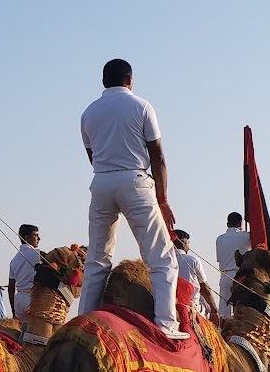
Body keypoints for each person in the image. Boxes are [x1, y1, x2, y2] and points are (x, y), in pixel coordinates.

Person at [77, 59, 186, 341]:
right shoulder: (141, 106)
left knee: (97, 260)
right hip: (134, 180)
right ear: (130, 79)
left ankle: (83, 323)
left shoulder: (88, 113)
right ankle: (166, 325)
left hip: (101, 181)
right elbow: (157, 155)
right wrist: (162, 198)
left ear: (104, 81)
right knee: (161, 258)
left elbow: (92, 155)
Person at [172, 231, 219, 322]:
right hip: (191, 307)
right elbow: (205, 289)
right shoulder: (193, 261)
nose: (188, 247)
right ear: (183, 243)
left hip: (168, 306)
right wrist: (214, 310)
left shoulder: (162, 261)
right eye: (188, 244)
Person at [215, 212, 251, 317]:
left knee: (224, 310)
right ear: (240, 223)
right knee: (243, 309)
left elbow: (220, 259)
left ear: (227, 224)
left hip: (225, 275)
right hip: (241, 276)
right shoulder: (246, 236)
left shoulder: (219, 239)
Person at [8, 224, 42, 322]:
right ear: (27, 238)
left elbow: (11, 288)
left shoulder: (14, 260)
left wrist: (13, 310)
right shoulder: (37, 254)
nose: (39, 238)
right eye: (35, 235)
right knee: (36, 328)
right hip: (32, 298)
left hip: (18, 300)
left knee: (21, 329)